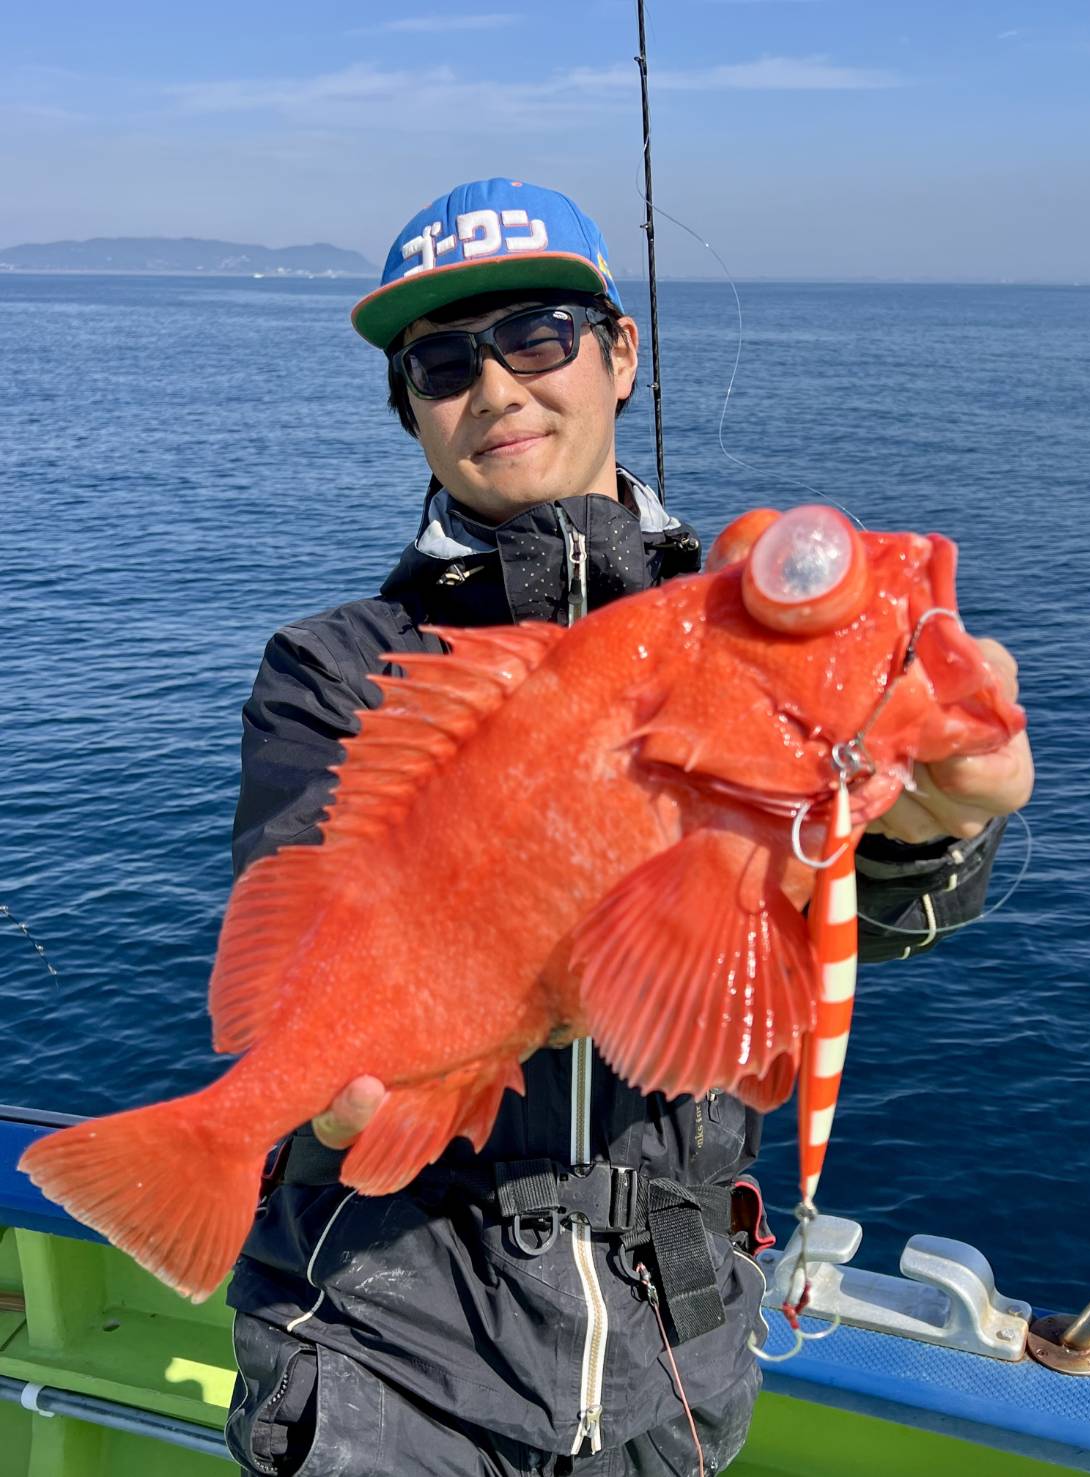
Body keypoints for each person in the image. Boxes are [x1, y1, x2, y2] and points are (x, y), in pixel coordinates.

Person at [224, 178, 1033, 1477]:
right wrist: (310, 1101)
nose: (497, 388)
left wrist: (925, 831)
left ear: (621, 352)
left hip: (675, 1364)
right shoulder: (341, 668)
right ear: (410, 407)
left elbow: (849, 917)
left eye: (538, 336)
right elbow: (302, 932)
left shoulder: (722, 626)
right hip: (384, 1352)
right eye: (443, 363)